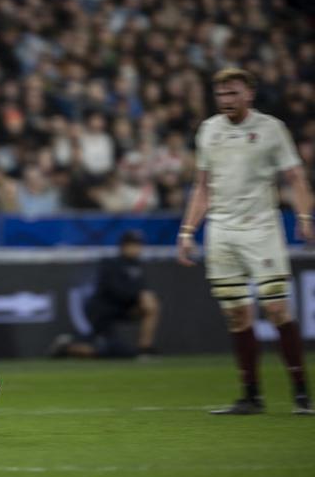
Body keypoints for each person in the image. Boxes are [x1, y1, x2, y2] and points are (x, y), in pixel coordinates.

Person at [178, 67, 314, 415]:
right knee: (237, 316)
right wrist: (188, 231)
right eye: (221, 94)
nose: (226, 100)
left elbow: (295, 175)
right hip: (221, 232)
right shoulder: (209, 131)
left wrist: (303, 216)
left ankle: (301, 393)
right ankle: (251, 396)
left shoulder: (271, 129)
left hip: (261, 229)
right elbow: (202, 187)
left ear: (249, 94)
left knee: (277, 308)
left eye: (233, 93)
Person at [49, 230, 160, 358]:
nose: (136, 248)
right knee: (115, 351)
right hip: (102, 314)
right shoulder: (111, 264)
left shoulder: (137, 266)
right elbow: (116, 291)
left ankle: (145, 347)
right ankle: (68, 348)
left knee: (150, 303)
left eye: (138, 245)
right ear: (123, 246)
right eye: (133, 244)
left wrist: (142, 298)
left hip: (121, 310)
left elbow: (142, 290)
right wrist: (137, 296)